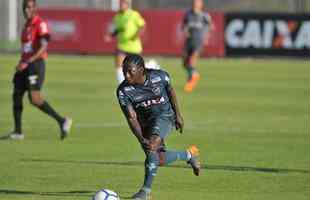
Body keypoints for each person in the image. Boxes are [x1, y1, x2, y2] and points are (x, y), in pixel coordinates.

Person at [116, 54, 201, 200]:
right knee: (158, 159)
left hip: (165, 116)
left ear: (141, 70)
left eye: (130, 71)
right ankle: (189, 155)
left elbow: (171, 91)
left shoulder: (160, 77)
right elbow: (131, 117)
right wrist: (141, 138)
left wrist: (178, 115)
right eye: (124, 71)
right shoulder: (123, 91)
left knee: (153, 144)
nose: (126, 75)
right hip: (145, 123)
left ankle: (145, 192)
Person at [8, 0, 72, 140]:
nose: (27, 10)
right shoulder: (26, 26)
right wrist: (21, 62)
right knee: (16, 95)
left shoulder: (40, 24)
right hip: (24, 64)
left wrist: (28, 61)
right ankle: (18, 132)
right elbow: (26, 49)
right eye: (25, 7)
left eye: (30, 7)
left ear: (35, 8)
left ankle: (62, 121)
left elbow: (43, 47)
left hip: (36, 65)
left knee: (35, 99)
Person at [104, 0, 145, 83]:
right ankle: (122, 84)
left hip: (134, 47)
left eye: (123, 4)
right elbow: (118, 30)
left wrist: (136, 35)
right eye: (120, 4)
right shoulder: (117, 16)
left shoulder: (134, 14)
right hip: (122, 45)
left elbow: (142, 26)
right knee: (119, 64)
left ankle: (150, 68)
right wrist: (110, 35)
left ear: (127, 5)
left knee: (136, 68)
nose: (121, 6)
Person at [181, 0, 214, 92]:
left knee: (192, 60)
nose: (195, 4)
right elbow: (184, 25)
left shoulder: (205, 15)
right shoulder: (188, 14)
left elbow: (211, 26)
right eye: (194, 2)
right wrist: (185, 31)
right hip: (189, 41)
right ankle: (192, 74)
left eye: (197, 2)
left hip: (199, 40)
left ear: (201, 4)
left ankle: (194, 77)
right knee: (184, 62)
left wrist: (206, 36)